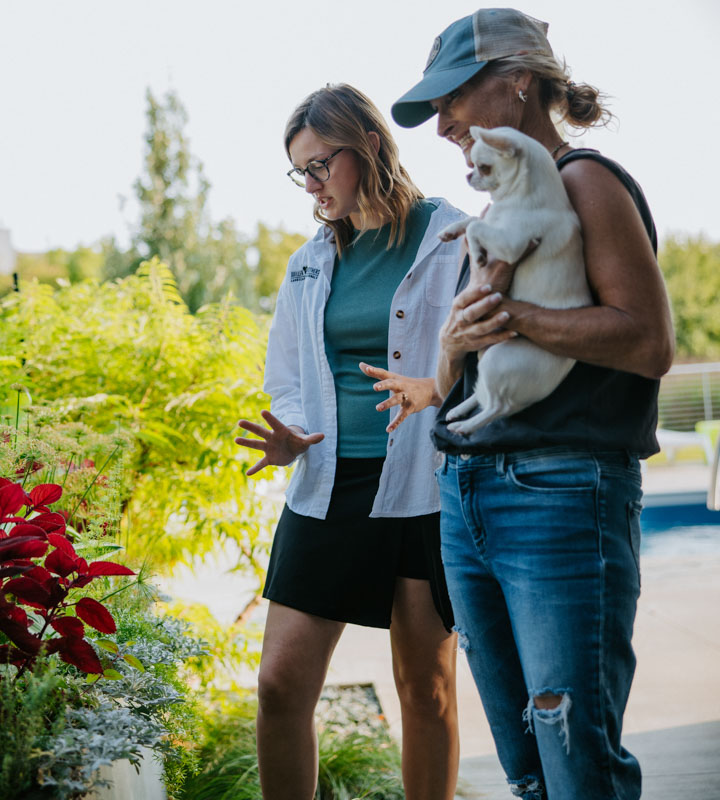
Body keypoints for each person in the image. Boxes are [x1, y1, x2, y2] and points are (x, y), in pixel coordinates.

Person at [388, 9, 674, 800]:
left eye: (453, 98)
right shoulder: (498, 214)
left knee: (576, 763)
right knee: (527, 767)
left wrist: (515, 316)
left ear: (518, 82)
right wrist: (451, 351)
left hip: (558, 491)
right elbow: (469, 380)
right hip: (467, 489)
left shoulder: (585, 180)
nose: (441, 123)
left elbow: (648, 343)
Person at [235, 84, 466, 800]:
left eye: (319, 164)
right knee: (279, 685)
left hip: (422, 487)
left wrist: (437, 385)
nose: (310, 184)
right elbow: (290, 374)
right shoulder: (308, 263)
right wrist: (293, 432)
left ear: (366, 147)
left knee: (424, 689)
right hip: (329, 488)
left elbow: (486, 352)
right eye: (299, 171)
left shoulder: (450, 235)